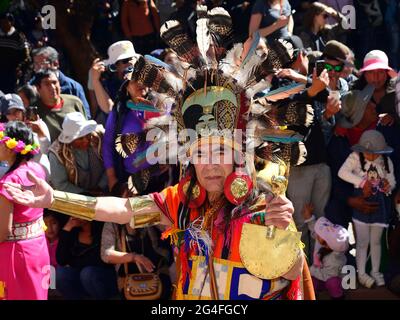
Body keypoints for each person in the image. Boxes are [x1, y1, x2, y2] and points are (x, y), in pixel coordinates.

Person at [4, 8, 318, 300]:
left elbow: (291, 272)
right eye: (200, 153)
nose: (209, 164)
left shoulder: (261, 205)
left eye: (220, 151)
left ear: (238, 156)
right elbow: (121, 208)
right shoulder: (181, 200)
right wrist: (52, 199)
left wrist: (279, 231)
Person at [338, 130, 396, 288]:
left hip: (380, 204)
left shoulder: (386, 161)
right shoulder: (355, 157)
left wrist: (388, 186)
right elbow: (342, 172)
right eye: (367, 153)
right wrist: (362, 182)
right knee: (362, 242)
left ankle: (376, 272)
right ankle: (361, 273)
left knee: (376, 241)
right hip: (361, 202)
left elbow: (392, 180)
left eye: (374, 154)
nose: (370, 156)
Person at [0, 121, 48, 300]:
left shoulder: (8, 182)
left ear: (10, 147)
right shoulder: (37, 170)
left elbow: (3, 231)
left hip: (16, 256)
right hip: (38, 248)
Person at [101, 223, 173, 299]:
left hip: (157, 273)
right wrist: (134, 257)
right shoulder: (112, 224)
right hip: (129, 279)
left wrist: (152, 218)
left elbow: (169, 229)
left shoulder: (146, 214)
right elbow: (106, 255)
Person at [56, 217, 118, 299]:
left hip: (102, 277)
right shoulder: (72, 232)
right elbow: (61, 260)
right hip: (81, 277)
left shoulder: (103, 228)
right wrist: (67, 228)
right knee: (61, 273)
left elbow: (102, 260)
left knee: (87, 273)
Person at [48, 112, 107, 196]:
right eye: (80, 138)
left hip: (104, 191)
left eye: (87, 135)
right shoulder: (56, 153)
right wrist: (86, 194)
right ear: (70, 140)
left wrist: (101, 186)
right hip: (75, 198)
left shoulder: (99, 137)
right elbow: (60, 184)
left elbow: (110, 164)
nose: (86, 140)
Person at [303, 206, 349, 299]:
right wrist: (309, 217)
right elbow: (315, 229)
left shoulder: (334, 261)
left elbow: (326, 276)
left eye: (323, 233)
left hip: (329, 277)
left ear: (327, 244)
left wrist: (311, 270)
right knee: (312, 283)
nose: (319, 233)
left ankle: (338, 296)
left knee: (333, 283)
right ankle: (313, 295)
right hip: (320, 274)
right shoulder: (324, 242)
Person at [31, 46, 91, 118]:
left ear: (55, 64)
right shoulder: (31, 87)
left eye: (42, 64)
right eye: (36, 64)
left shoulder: (73, 87)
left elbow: (86, 115)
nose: (38, 69)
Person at [32, 69, 87, 141]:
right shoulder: (35, 111)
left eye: (54, 82)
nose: (53, 87)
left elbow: (86, 129)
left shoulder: (75, 102)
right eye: (47, 84)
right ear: (38, 89)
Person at [89, 41, 138, 117]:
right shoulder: (109, 84)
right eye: (125, 60)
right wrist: (95, 80)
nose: (131, 63)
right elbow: (109, 109)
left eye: (133, 59)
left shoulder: (143, 77)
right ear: (115, 66)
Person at [0, 12, 30, 93]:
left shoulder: (19, 36)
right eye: (1, 22)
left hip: (12, 72)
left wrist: (20, 68)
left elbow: (26, 56)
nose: (3, 25)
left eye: (6, 22)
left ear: (12, 23)